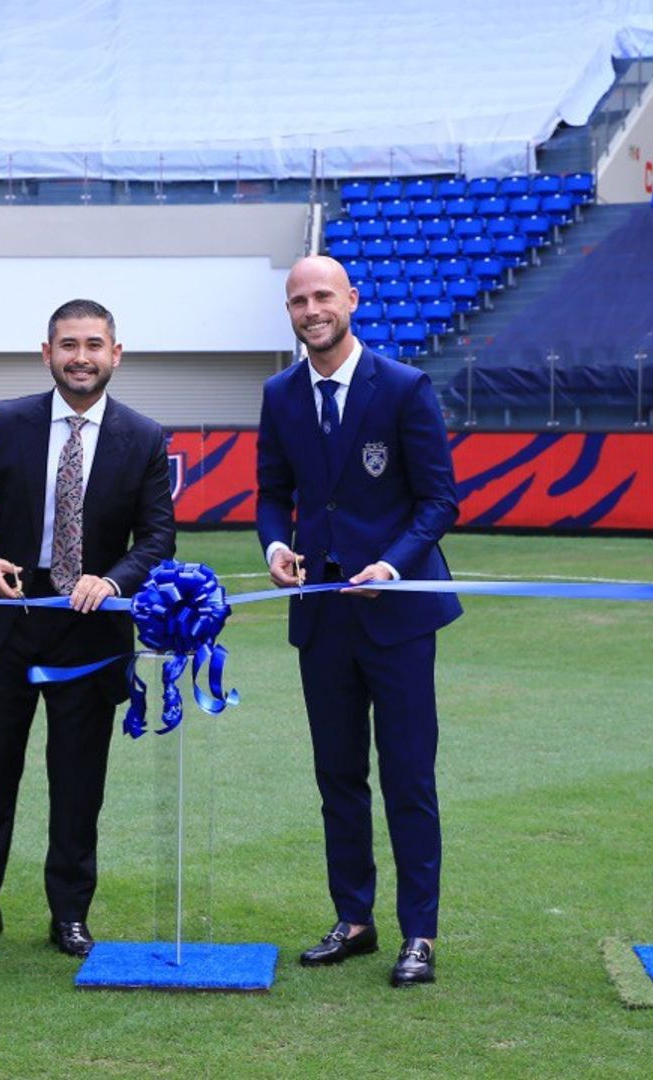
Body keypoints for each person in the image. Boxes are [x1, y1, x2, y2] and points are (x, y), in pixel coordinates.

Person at [0, 298, 176, 959]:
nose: (81, 356)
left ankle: (69, 914)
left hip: (89, 628)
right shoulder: (8, 421)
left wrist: (116, 579)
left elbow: (158, 534)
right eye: (68, 344)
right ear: (47, 353)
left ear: (115, 354)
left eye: (94, 344)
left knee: (77, 783)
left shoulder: (144, 437)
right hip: (7, 623)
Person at [256, 255, 462, 987]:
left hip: (397, 616)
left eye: (322, 296)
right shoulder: (280, 394)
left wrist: (393, 566)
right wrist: (277, 545)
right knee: (338, 777)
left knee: (408, 778)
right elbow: (271, 495)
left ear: (351, 299)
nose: (311, 309)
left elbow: (439, 502)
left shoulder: (404, 388)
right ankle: (355, 919)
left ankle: (420, 935)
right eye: (297, 300)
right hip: (322, 620)